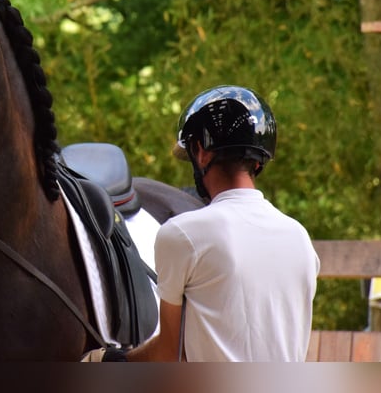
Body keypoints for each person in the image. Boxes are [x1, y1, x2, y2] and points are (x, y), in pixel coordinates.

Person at [108, 85, 319, 362]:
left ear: (201, 152)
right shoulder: (300, 238)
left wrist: (112, 361)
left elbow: (168, 352)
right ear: (258, 162)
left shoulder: (183, 234)